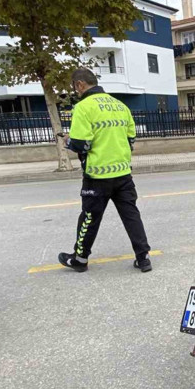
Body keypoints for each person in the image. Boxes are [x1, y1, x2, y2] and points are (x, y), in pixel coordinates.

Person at [58, 68, 152, 273]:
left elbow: (82, 145)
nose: (76, 91)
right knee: (131, 216)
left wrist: (68, 141)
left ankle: (80, 259)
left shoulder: (83, 107)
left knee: (89, 218)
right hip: (123, 173)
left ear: (80, 84)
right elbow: (131, 139)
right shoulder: (120, 106)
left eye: (75, 87)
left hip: (97, 175)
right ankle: (143, 258)